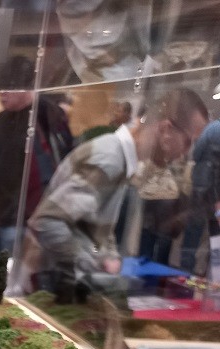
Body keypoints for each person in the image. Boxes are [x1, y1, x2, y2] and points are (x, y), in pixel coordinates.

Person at [25, 88, 208, 303]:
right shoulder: (110, 158)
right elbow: (47, 221)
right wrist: (88, 266)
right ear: (166, 129)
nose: (186, 152)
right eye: (188, 141)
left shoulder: (120, 159)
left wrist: (107, 258)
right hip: (53, 285)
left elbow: (94, 225)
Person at [0, 57, 73, 260]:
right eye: (0, 87)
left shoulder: (46, 115)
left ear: (26, 86)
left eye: (9, 87)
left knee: (15, 274)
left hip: (21, 218)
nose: (2, 93)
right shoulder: (0, 120)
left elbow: (57, 166)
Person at [179, 116, 220, 275]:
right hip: (216, 194)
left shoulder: (211, 128)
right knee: (216, 237)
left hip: (200, 189)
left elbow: (196, 154)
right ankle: (214, 275)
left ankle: (185, 273)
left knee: (192, 234)